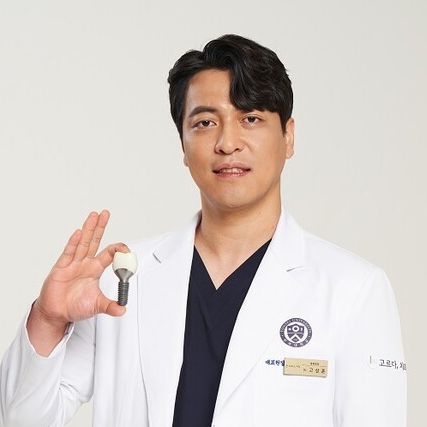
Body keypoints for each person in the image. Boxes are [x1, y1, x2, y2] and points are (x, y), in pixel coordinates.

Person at [0, 34, 406, 427]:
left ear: (288, 136)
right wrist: (48, 319)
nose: (228, 142)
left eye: (250, 118)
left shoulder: (354, 290)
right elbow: (23, 419)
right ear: (183, 144)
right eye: (206, 122)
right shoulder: (122, 279)